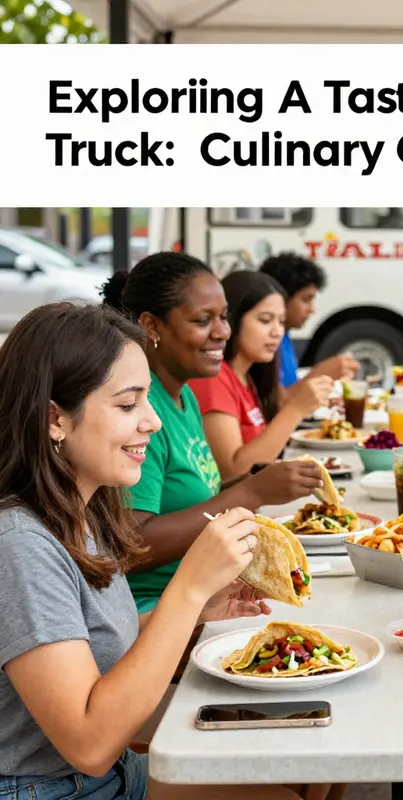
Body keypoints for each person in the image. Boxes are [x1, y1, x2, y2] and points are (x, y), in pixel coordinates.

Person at [0, 302, 301, 800]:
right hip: (52, 787)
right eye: (127, 404)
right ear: (56, 419)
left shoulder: (83, 511)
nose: (153, 422)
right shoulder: (20, 543)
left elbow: (91, 644)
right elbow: (89, 742)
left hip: (109, 774)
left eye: (148, 401)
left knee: (291, 778)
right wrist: (188, 589)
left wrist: (198, 609)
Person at [102, 252, 324, 614]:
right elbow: (131, 543)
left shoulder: (184, 394)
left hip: (210, 596)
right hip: (154, 614)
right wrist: (251, 492)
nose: (222, 332)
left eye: (224, 317)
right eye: (203, 320)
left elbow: (192, 501)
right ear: (152, 326)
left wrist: (259, 482)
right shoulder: (140, 410)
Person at [189, 271, 333, 481]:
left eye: (282, 322)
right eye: (265, 320)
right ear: (232, 320)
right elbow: (233, 472)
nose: (277, 332)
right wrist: (296, 409)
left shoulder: (249, 376)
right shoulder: (213, 378)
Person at [258, 253, 359, 388]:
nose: (311, 309)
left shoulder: (284, 336)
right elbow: (274, 403)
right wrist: (319, 375)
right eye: (306, 299)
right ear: (281, 298)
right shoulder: (267, 343)